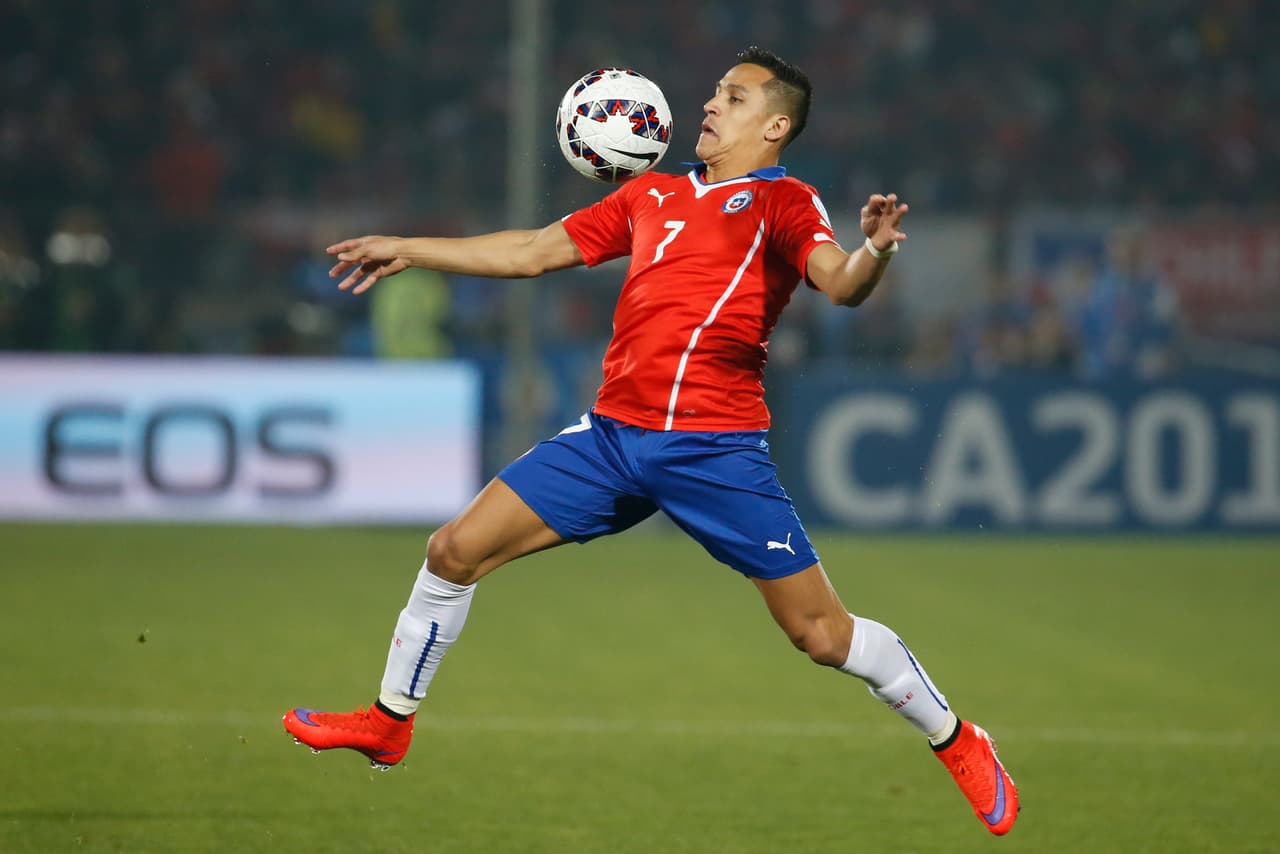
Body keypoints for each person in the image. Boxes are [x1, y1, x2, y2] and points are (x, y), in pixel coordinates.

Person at [284, 46, 1019, 836]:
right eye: (713, 93)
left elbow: (839, 284)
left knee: (820, 635)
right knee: (452, 551)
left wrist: (874, 248)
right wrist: (410, 247)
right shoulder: (651, 194)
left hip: (715, 450)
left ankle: (957, 738)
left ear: (774, 125)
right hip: (611, 440)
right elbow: (533, 251)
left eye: (731, 98)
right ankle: (390, 721)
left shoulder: (784, 202)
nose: (708, 105)